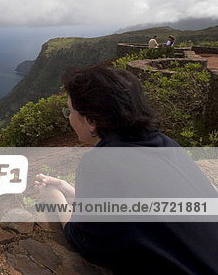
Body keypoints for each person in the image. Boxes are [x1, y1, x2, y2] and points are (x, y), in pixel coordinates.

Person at [34, 65, 218, 274]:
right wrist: (76, 194)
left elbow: (86, 242)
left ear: (92, 121)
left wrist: (54, 198)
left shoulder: (100, 163)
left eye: (70, 111)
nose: (69, 118)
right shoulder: (166, 144)